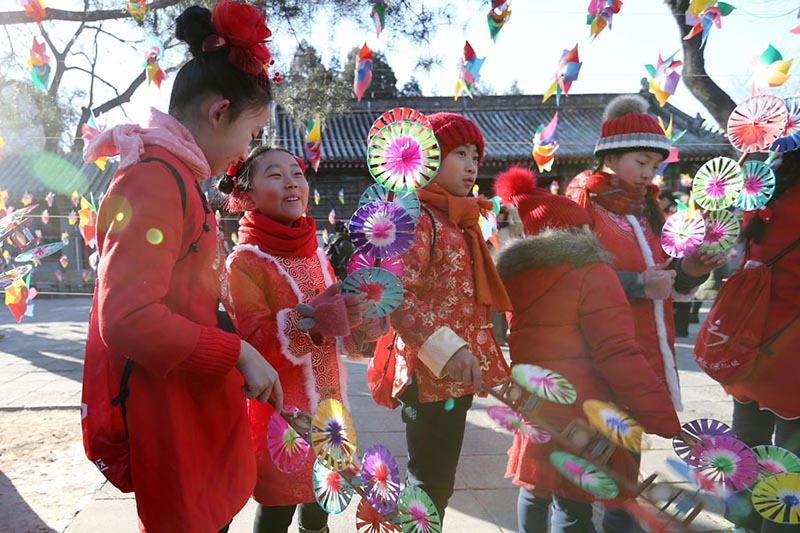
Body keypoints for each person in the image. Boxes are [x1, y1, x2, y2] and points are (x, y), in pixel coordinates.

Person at [81, 2, 283, 531]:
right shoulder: (154, 180)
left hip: (188, 402)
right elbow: (126, 317)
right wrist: (234, 350)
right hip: (171, 415)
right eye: (251, 132)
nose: (245, 152)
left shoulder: (176, 176)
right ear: (219, 113)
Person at [494, 166, 681, 533]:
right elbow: (617, 353)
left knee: (534, 489)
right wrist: (660, 415)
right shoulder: (592, 273)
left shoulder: (513, 276)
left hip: (534, 402)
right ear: (575, 232)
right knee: (573, 501)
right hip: (582, 408)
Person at [220, 146, 385, 533]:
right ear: (246, 195)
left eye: (297, 173)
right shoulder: (244, 261)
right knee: (278, 507)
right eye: (275, 175)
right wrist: (310, 322)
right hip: (282, 415)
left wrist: (361, 321)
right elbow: (251, 344)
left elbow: (337, 335)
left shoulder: (317, 254)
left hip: (331, 408)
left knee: (323, 502)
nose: (292, 181)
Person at [375, 112, 512, 521]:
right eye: (459, 153)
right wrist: (450, 350)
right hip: (427, 373)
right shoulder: (415, 216)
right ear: (427, 159)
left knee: (438, 480)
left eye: (475, 155)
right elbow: (396, 295)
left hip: (456, 372)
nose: (472, 165)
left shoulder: (458, 218)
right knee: (428, 480)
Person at [567, 94, 727, 411]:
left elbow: (668, 279)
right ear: (609, 158)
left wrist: (693, 268)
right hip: (596, 352)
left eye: (655, 166)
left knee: (630, 448)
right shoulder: (582, 204)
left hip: (646, 350)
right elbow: (567, 281)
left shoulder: (649, 210)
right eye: (641, 162)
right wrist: (638, 284)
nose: (648, 174)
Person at [722, 150, 800, 533]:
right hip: (794, 359)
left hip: (752, 347)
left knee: (747, 446)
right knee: (789, 462)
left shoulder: (761, 195)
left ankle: (742, 526)